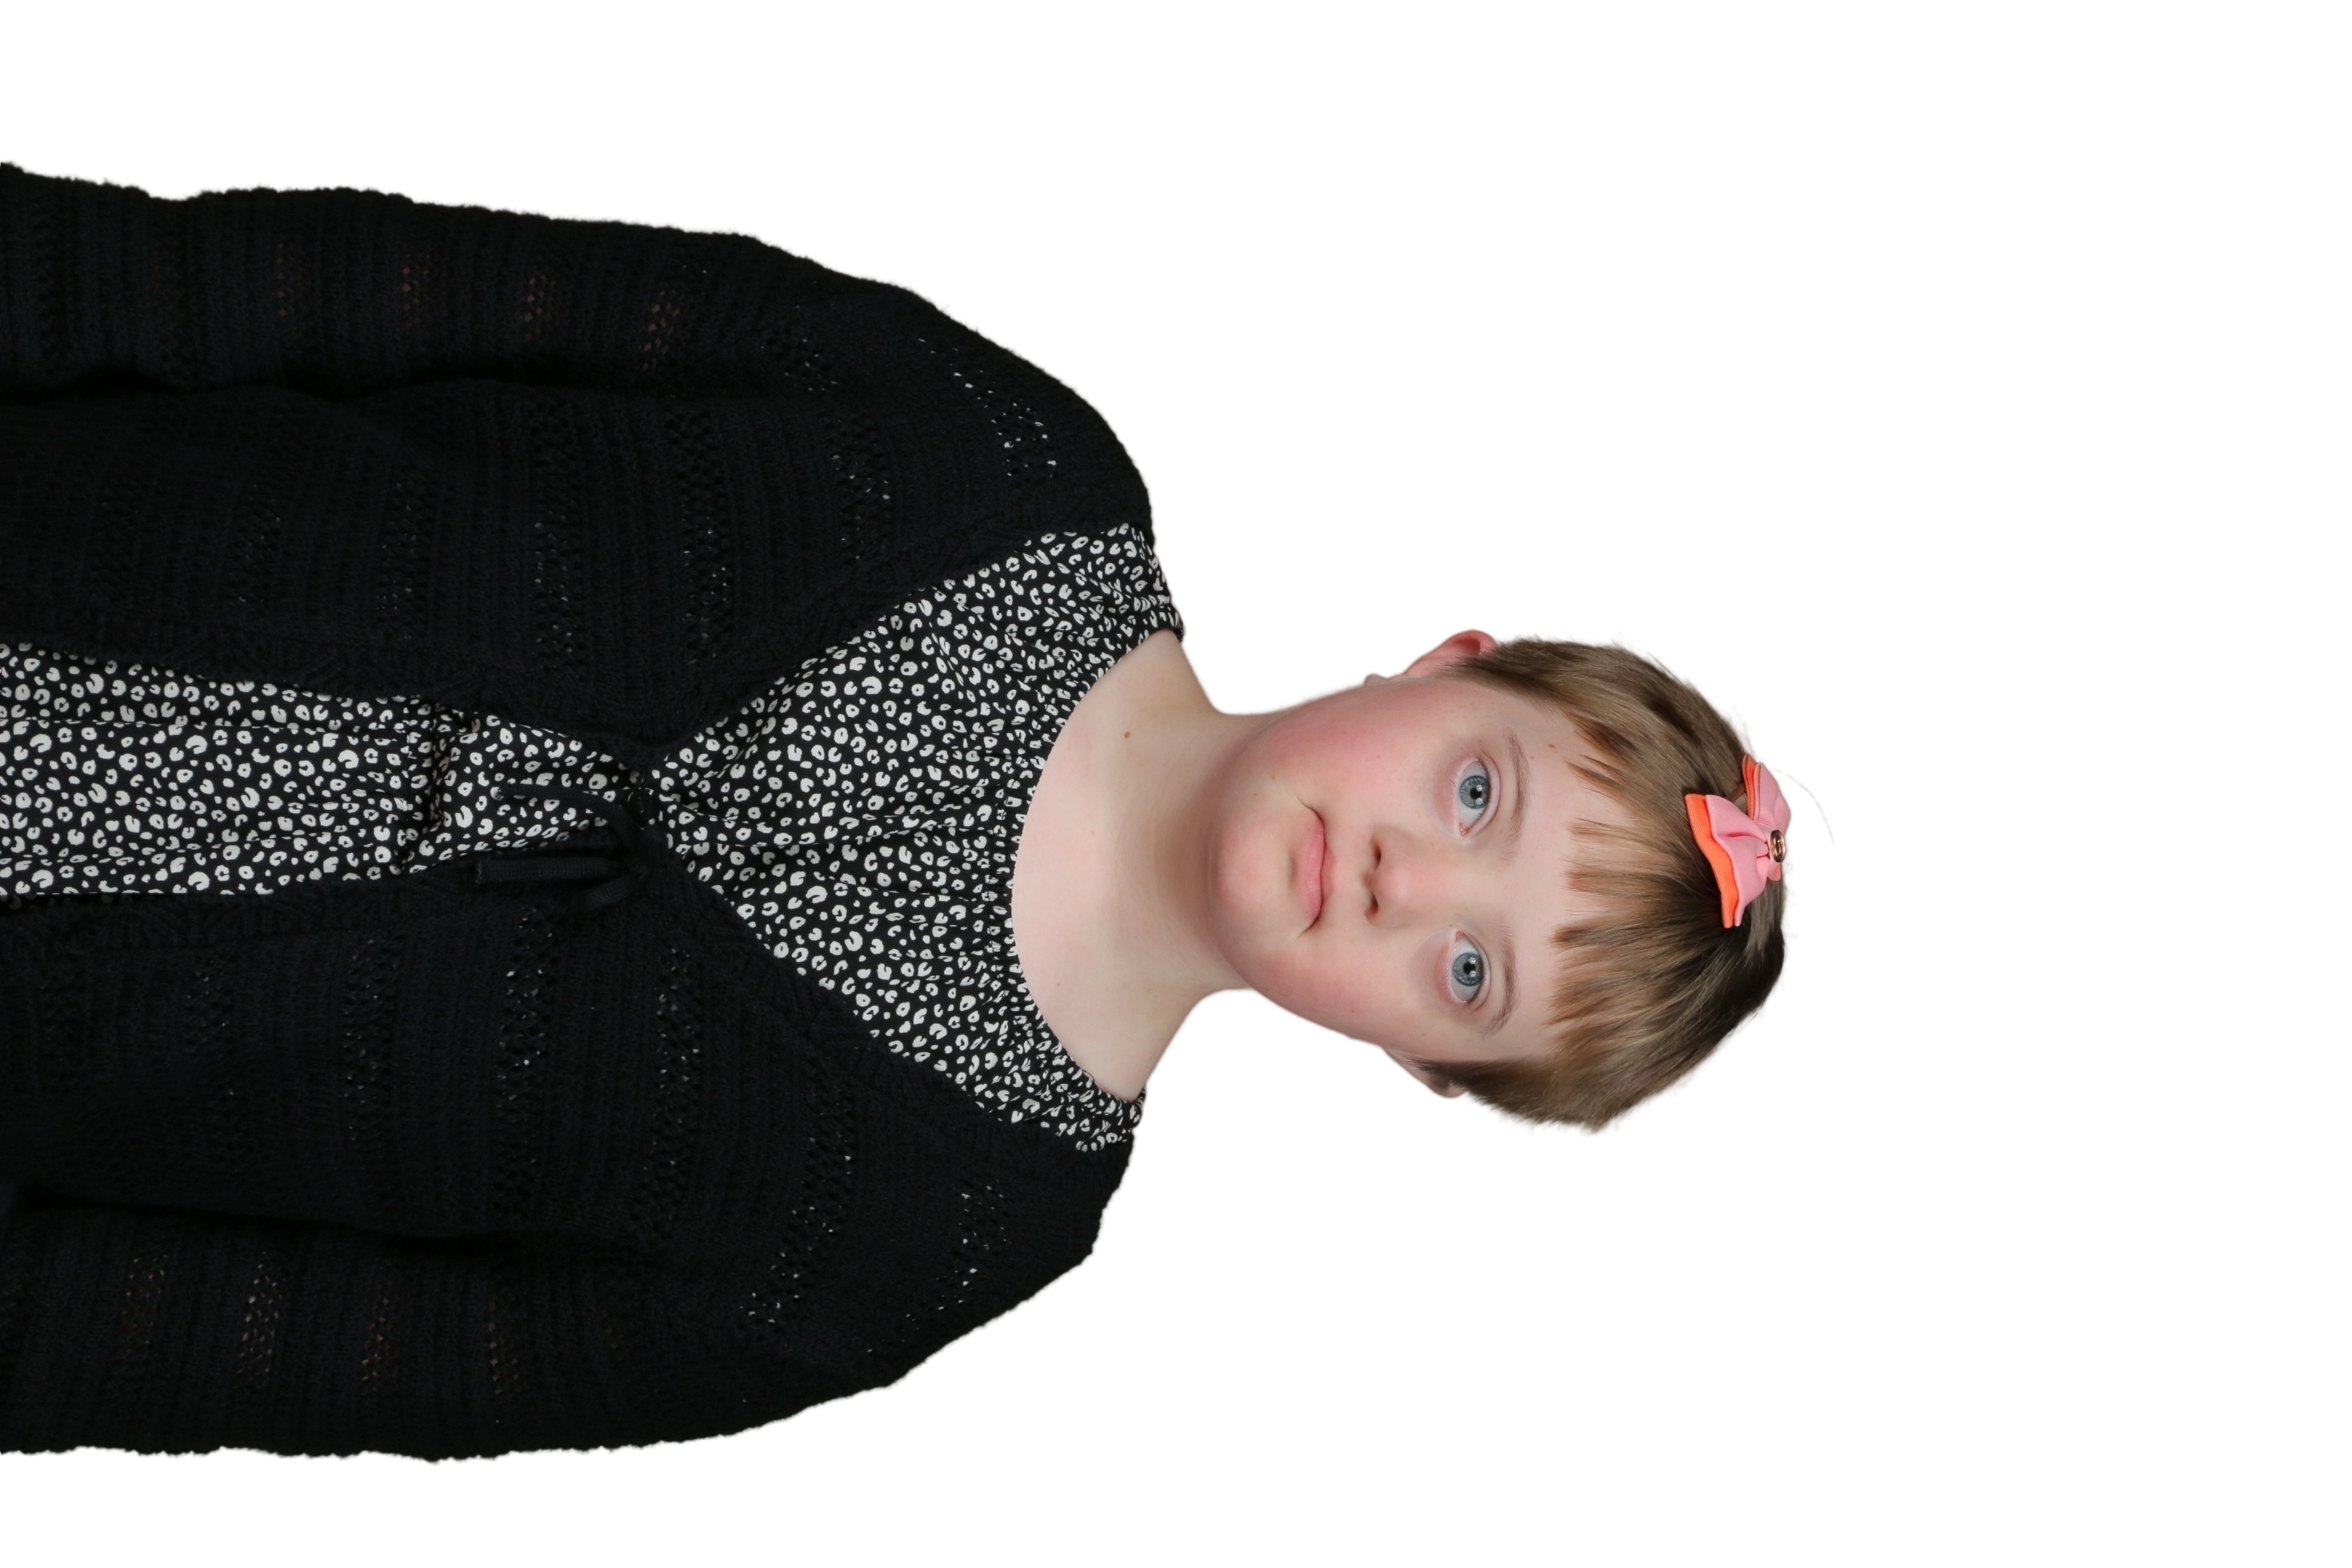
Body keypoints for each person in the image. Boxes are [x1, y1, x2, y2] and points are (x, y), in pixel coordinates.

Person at [0, 159, 1816, 1464]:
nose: (1406, 880)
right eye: (1476, 791)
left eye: (1470, 972)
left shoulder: (929, 1239)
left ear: (1421, 1067)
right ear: (1452, 658)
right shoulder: (994, 452)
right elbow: (365, 292)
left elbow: (305, 1353)